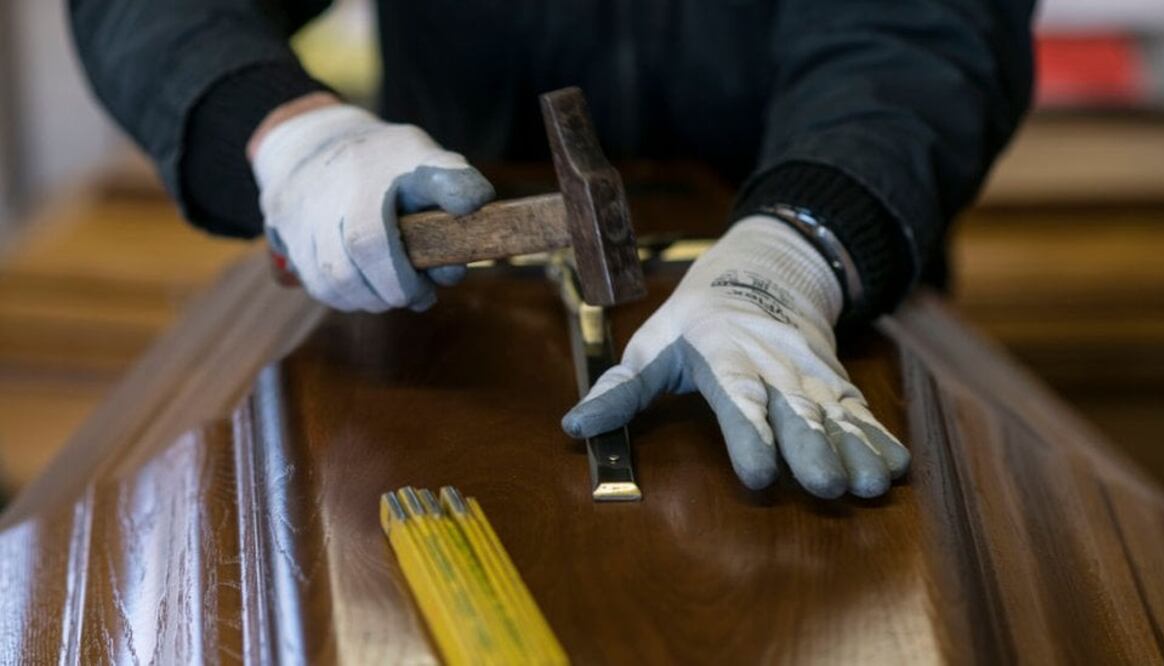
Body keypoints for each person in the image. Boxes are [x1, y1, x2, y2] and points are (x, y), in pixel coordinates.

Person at [70, 1, 1033, 499]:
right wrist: (288, 136)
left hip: (826, 287)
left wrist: (799, 249)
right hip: (438, 334)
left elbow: (921, 32)